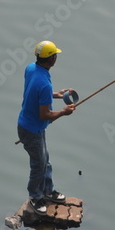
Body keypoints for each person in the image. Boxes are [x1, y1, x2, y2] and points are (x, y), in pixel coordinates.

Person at [18, 41, 76, 214]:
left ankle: (48, 191)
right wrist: (63, 112)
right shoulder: (44, 83)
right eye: (55, 55)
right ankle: (35, 197)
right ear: (51, 59)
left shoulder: (31, 68)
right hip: (32, 130)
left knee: (45, 161)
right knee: (38, 165)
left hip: (28, 124)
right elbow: (45, 115)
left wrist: (57, 95)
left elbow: (35, 92)